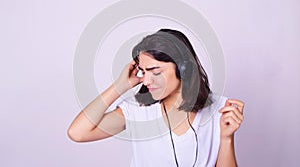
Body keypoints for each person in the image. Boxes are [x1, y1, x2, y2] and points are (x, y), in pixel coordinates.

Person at [68, 28, 245, 167]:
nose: (145, 80)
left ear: (183, 69)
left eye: (155, 72)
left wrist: (226, 138)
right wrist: (120, 86)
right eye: (143, 71)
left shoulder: (220, 110)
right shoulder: (138, 110)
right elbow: (78, 133)